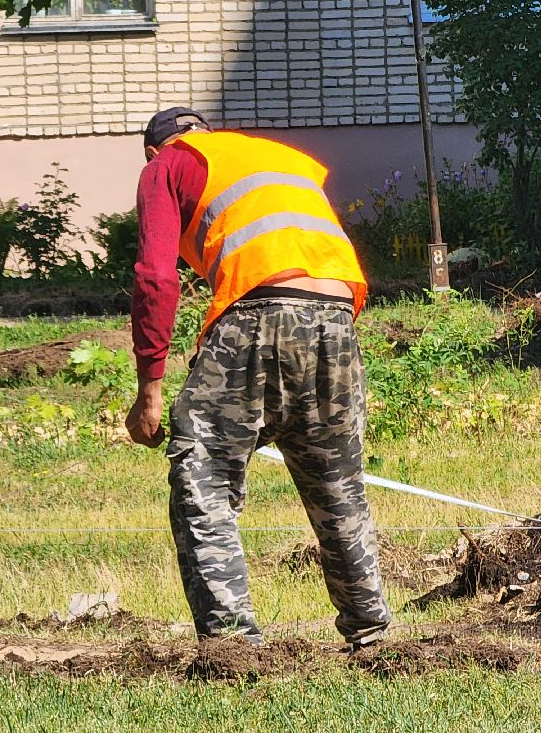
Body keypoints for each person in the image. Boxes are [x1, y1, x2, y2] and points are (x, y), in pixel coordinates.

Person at [124, 106, 392, 651]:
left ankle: (232, 648)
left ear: (156, 149)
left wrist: (149, 390)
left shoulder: (167, 164)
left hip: (256, 313)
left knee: (204, 477)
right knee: (336, 484)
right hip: (338, 319)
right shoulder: (279, 159)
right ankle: (373, 636)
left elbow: (154, 277)